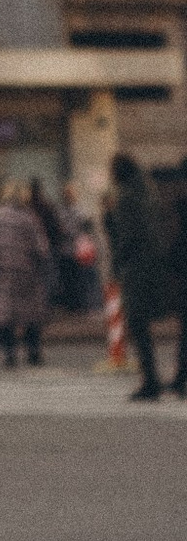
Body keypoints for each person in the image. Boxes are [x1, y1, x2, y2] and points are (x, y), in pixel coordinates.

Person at [105, 154, 174, 400]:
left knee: (137, 323)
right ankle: (158, 379)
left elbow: (126, 238)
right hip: (155, 264)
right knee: (146, 322)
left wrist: (116, 263)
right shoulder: (148, 192)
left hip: (136, 269)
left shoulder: (125, 199)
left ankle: (151, 380)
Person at [0, 183, 52, 368]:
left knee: (6, 312)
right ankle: (33, 351)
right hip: (28, 272)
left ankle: (9, 353)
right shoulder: (30, 217)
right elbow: (42, 248)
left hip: (3, 272)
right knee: (32, 312)